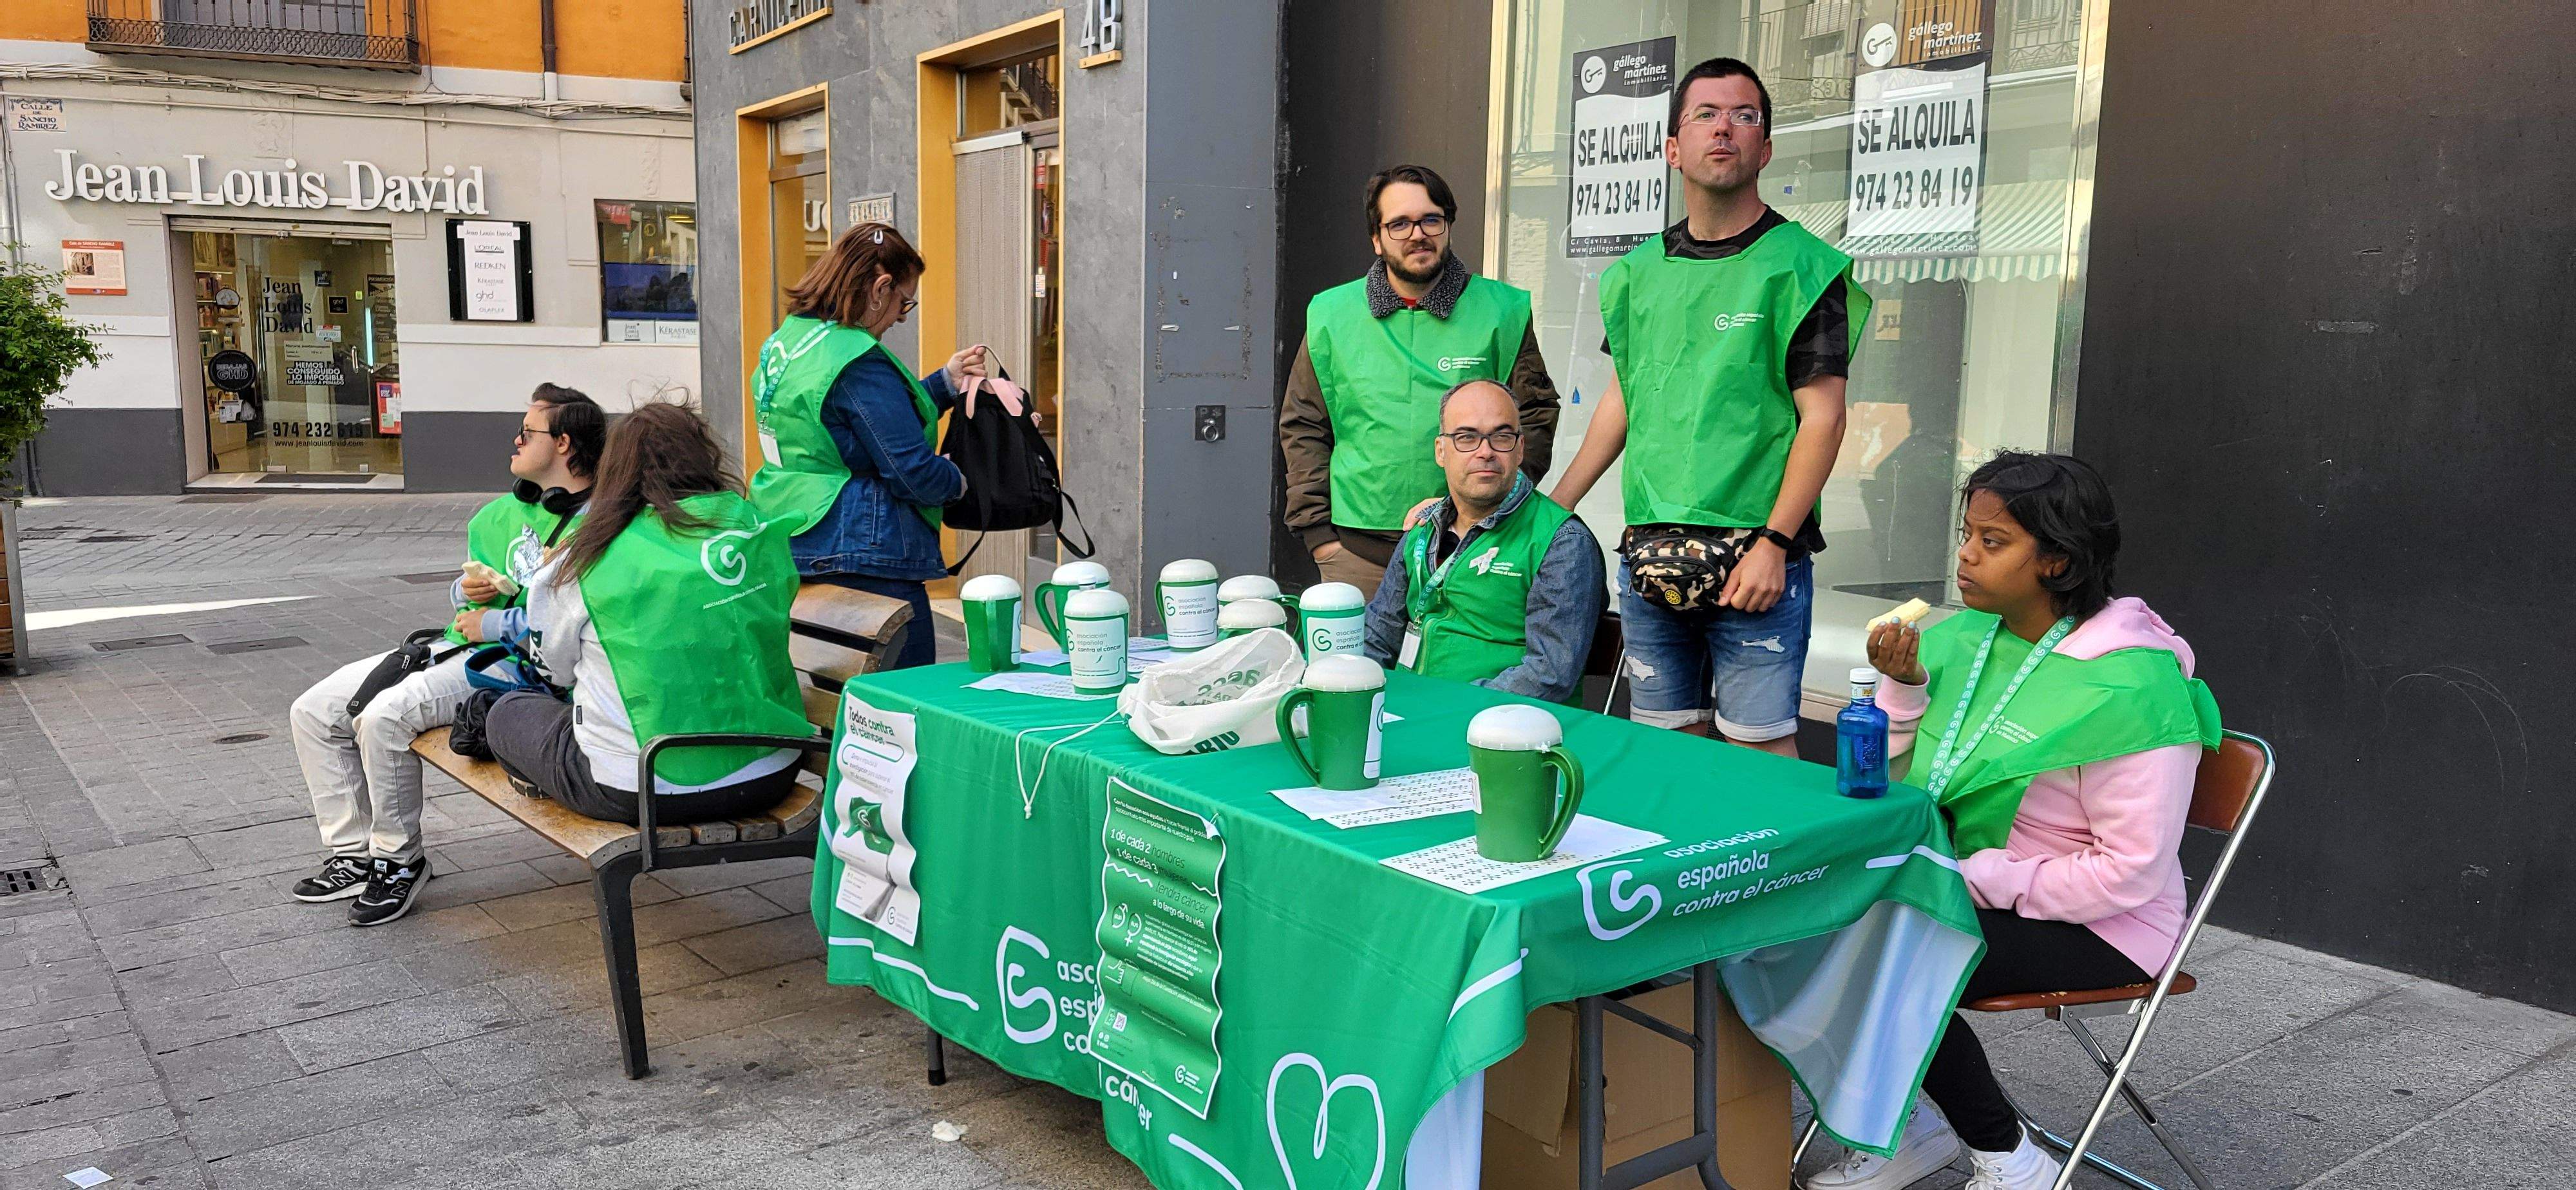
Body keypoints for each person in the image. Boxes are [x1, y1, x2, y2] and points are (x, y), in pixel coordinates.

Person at [1815, 453, 2221, 1190]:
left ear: (2057, 561)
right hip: (1965, 877)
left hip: (2104, 925)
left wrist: (1965, 879)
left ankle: (2009, 1158)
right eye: (1966, 534)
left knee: (1883, 949)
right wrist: (1902, 691)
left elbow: (2126, 870)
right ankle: (1907, 1127)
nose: (1965, 556)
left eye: (1992, 542)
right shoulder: (1973, 638)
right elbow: (1911, 784)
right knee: (1809, 916)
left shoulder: (2128, 686)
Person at [1549, 57, 1871, 757]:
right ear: (1672, 148)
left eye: (1744, 116)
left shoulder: (1800, 268)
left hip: (1756, 553)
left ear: (1765, 148)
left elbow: (1824, 418)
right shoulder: (1637, 274)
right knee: (1667, 750)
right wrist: (1556, 505)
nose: (1724, 128)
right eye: (1705, 115)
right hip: (1650, 555)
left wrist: (1777, 546)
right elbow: (1625, 397)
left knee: (1759, 754)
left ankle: (1766, 875)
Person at [285, 384, 603, 925]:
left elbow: (575, 628)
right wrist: (467, 593)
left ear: (566, 443)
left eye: (528, 432)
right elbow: (468, 587)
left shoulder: (603, 525)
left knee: (385, 717)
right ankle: (354, 854)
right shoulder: (502, 513)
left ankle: (398, 862)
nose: (516, 440)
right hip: (460, 644)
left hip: (520, 665)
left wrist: (493, 620)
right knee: (313, 711)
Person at [481, 404, 813, 835]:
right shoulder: (752, 527)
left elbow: (556, 673)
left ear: (614, 469)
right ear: (704, 455)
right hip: (772, 769)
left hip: (640, 784)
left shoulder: (587, 554)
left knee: (505, 714)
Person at [1282, 164, 1562, 592]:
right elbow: (1303, 424)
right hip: (1356, 556)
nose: (1418, 234)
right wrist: (1319, 537)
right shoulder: (1331, 315)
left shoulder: (1502, 311)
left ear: (1448, 225)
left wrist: (1499, 510)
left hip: (1473, 550)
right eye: (1399, 224)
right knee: (1355, 663)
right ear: (1377, 238)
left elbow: (1535, 417)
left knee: (1461, 661)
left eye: (1431, 219)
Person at [748, 222, 989, 669]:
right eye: (904, 301)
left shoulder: (789, 342)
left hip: (796, 535)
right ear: (880, 288)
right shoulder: (855, 357)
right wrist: (959, 480)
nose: (901, 316)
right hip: (867, 555)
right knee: (899, 711)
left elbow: (848, 428)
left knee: (831, 705)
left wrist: (942, 385)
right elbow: (911, 471)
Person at [1361, 380, 1603, 703]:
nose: (1485, 451)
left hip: (1499, 731)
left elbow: (1549, 675)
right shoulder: (1421, 529)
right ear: (1441, 451)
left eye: (1501, 437)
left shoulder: (1562, 542)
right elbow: (1378, 636)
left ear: (1519, 450)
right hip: (1403, 711)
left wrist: (1447, 707)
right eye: (1466, 437)